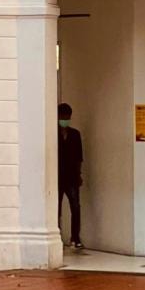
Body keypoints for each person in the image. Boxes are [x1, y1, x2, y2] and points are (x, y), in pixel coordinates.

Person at [57, 102, 85, 252]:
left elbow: (79, 157)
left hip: (72, 177)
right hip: (57, 177)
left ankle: (76, 237)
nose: (65, 119)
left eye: (67, 117)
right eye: (62, 116)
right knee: (56, 208)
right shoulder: (53, 134)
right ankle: (57, 235)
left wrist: (79, 174)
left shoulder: (75, 134)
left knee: (75, 207)